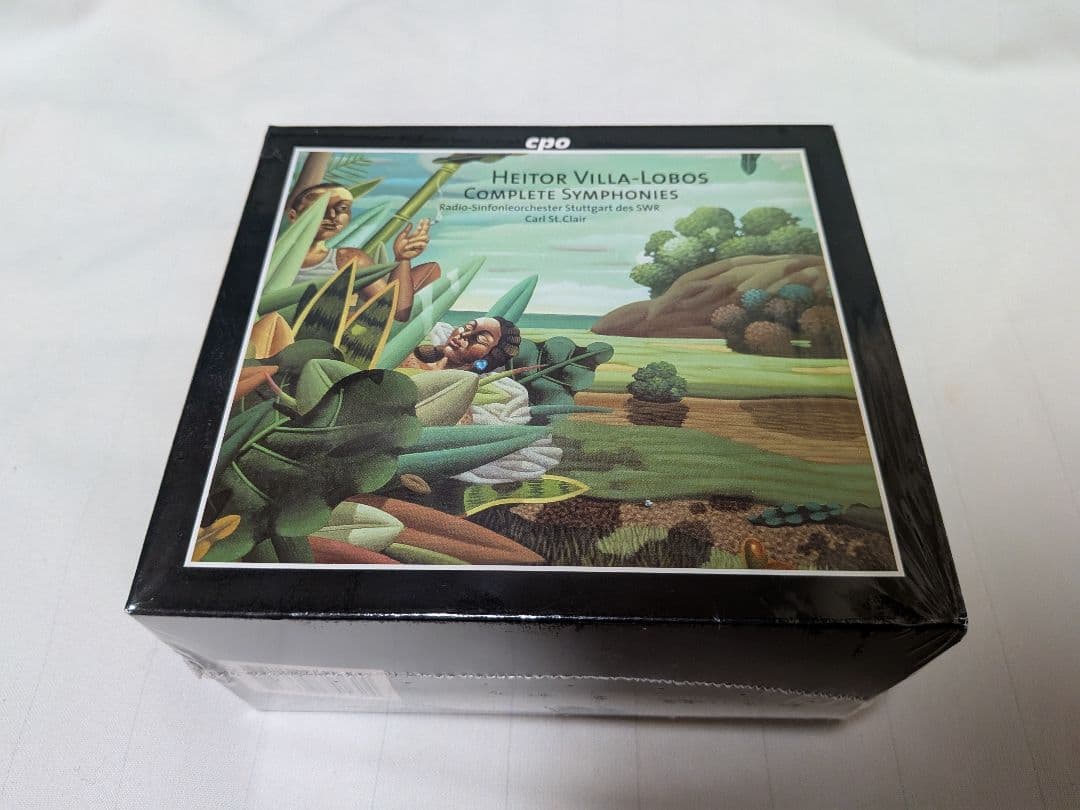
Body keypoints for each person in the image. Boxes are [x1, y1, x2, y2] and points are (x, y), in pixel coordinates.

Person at [285, 182, 440, 321]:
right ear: (293, 216)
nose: (332, 216)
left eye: (342, 208)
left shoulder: (348, 259)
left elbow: (396, 313)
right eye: (321, 207)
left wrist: (402, 259)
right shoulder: (275, 258)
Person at [404, 317, 522, 372]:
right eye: (468, 327)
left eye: (481, 339)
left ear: (491, 356)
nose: (464, 334)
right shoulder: (407, 357)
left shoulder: (463, 392)